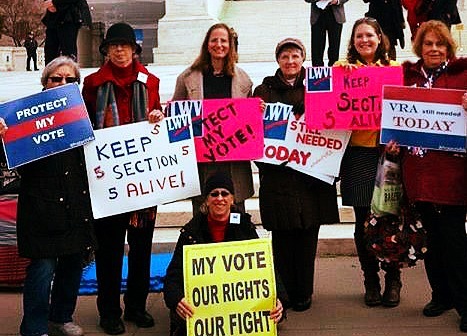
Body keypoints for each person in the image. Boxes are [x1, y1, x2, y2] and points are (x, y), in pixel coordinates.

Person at [0, 56, 96, 336]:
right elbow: (9, 162)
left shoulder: (83, 115)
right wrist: (2, 138)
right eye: (57, 78)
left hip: (75, 205)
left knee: (72, 265)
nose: (63, 83)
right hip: (41, 208)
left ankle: (61, 317)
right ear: (44, 82)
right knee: (42, 270)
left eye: (70, 79)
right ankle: (34, 327)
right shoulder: (22, 117)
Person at [82, 22, 164, 335]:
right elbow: (84, 126)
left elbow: (157, 120)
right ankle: (108, 311)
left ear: (134, 50)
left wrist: (158, 116)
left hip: (142, 183)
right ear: (106, 51)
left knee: (142, 249)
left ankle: (137, 306)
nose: (119, 50)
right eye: (113, 46)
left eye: (124, 46)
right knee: (109, 251)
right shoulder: (91, 84)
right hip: (109, 184)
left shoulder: (151, 82)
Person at [253, 38, 340, 312]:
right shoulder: (262, 91)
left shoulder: (319, 85)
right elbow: (254, 134)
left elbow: (335, 119)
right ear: (278, 60)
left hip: (310, 175)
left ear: (303, 58)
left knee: (306, 238)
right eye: (285, 56)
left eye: (295, 56)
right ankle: (285, 292)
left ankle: (304, 292)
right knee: (282, 238)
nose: (290, 61)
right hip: (278, 176)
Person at [400, 20, 467, 332]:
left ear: (449, 47)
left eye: (440, 44)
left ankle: (465, 303)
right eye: (428, 44)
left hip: (451, 175)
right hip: (418, 174)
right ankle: (440, 295)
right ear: (419, 47)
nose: (434, 49)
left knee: (456, 244)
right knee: (431, 242)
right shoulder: (408, 77)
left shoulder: (463, 75)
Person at [163, 172, 284, 336]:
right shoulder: (191, 232)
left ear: (232, 199)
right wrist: (177, 300)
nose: (220, 198)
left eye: (225, 193)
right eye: (214, 194)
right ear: (206, 200)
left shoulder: (244, 227)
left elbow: (265, 269)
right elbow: (173, 276)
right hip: (205, 310)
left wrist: (278, 301)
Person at [336, 17, 402, 308]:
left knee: (388, 218)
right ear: (353, 41)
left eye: (369, 36)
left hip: (387, 153)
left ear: (379, 39)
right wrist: (343, 75)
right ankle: (370, 279)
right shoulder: (341, 69)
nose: (364, 41)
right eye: (359, 36)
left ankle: (393, 278)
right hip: (357, 154)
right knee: (363, 220)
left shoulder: (394, 70)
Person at [171, 23, 255, 216]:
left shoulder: (243, 79)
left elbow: (249, 122)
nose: (219, 44)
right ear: (207, 44)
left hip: (233, 163)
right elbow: (175, 117)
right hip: (201, 163)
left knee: (236, 220)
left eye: (223, 40)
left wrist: (257, 110)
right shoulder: (187, 77)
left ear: (230, 45)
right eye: (214, 40)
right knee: (202, 218)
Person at [42, 0, 92, 64]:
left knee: (68, 52)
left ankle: (69, 72)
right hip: (53, 18)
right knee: (50, 51)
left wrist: (54, 2)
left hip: (68, 16)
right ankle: (51, 72)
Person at [304, 0, 348, 66]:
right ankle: (317, 72)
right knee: (317, 47)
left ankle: (334, 69)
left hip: (336, 16)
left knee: (335, 46)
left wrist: (337, 1)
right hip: (317, 16)